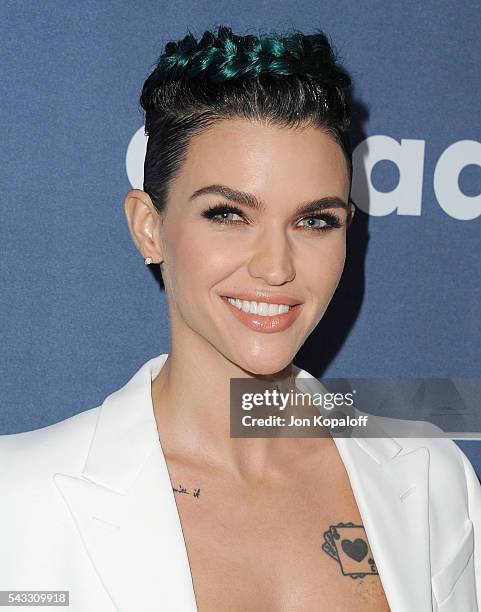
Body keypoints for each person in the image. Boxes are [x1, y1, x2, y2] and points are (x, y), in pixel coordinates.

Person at [1, 25, 480, 612]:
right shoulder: (18, 498)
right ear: (148, 227)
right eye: (228, 214)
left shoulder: (433, 477)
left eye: (315, 221)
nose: (276, 267)